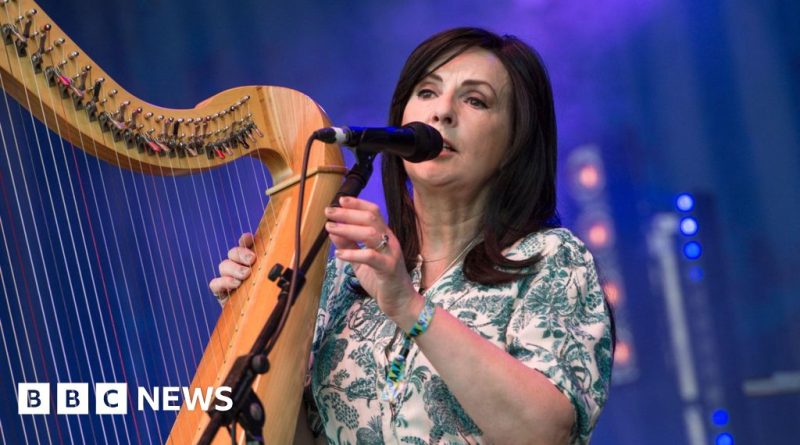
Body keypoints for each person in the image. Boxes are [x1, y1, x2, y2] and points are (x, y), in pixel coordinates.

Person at [210, 27, 613, 445]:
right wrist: (253, 314)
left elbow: (543, 433)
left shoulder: (551, 259)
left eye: (475, 100)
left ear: (515, 142)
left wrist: (407, 305)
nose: (442, 113)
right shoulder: (345, 279)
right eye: (426, 93)